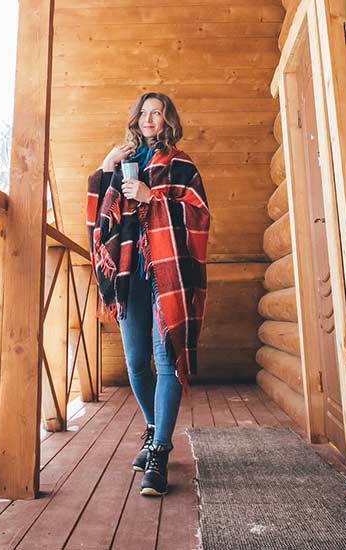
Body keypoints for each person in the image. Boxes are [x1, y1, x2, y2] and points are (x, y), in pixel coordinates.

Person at [86, 92, 210, 496]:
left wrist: (150, 197)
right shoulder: (125, 160)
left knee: (164, 360)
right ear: (136, 119)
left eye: (157, 113)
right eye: (144, 112)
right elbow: (98, 219)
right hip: (127, 274)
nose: (149, 118)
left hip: (167, 273)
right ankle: (154, 424)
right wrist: (105, 169)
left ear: (168, 120)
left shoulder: (180, 163)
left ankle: (158, 450)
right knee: (136, 363)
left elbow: (199, 213)